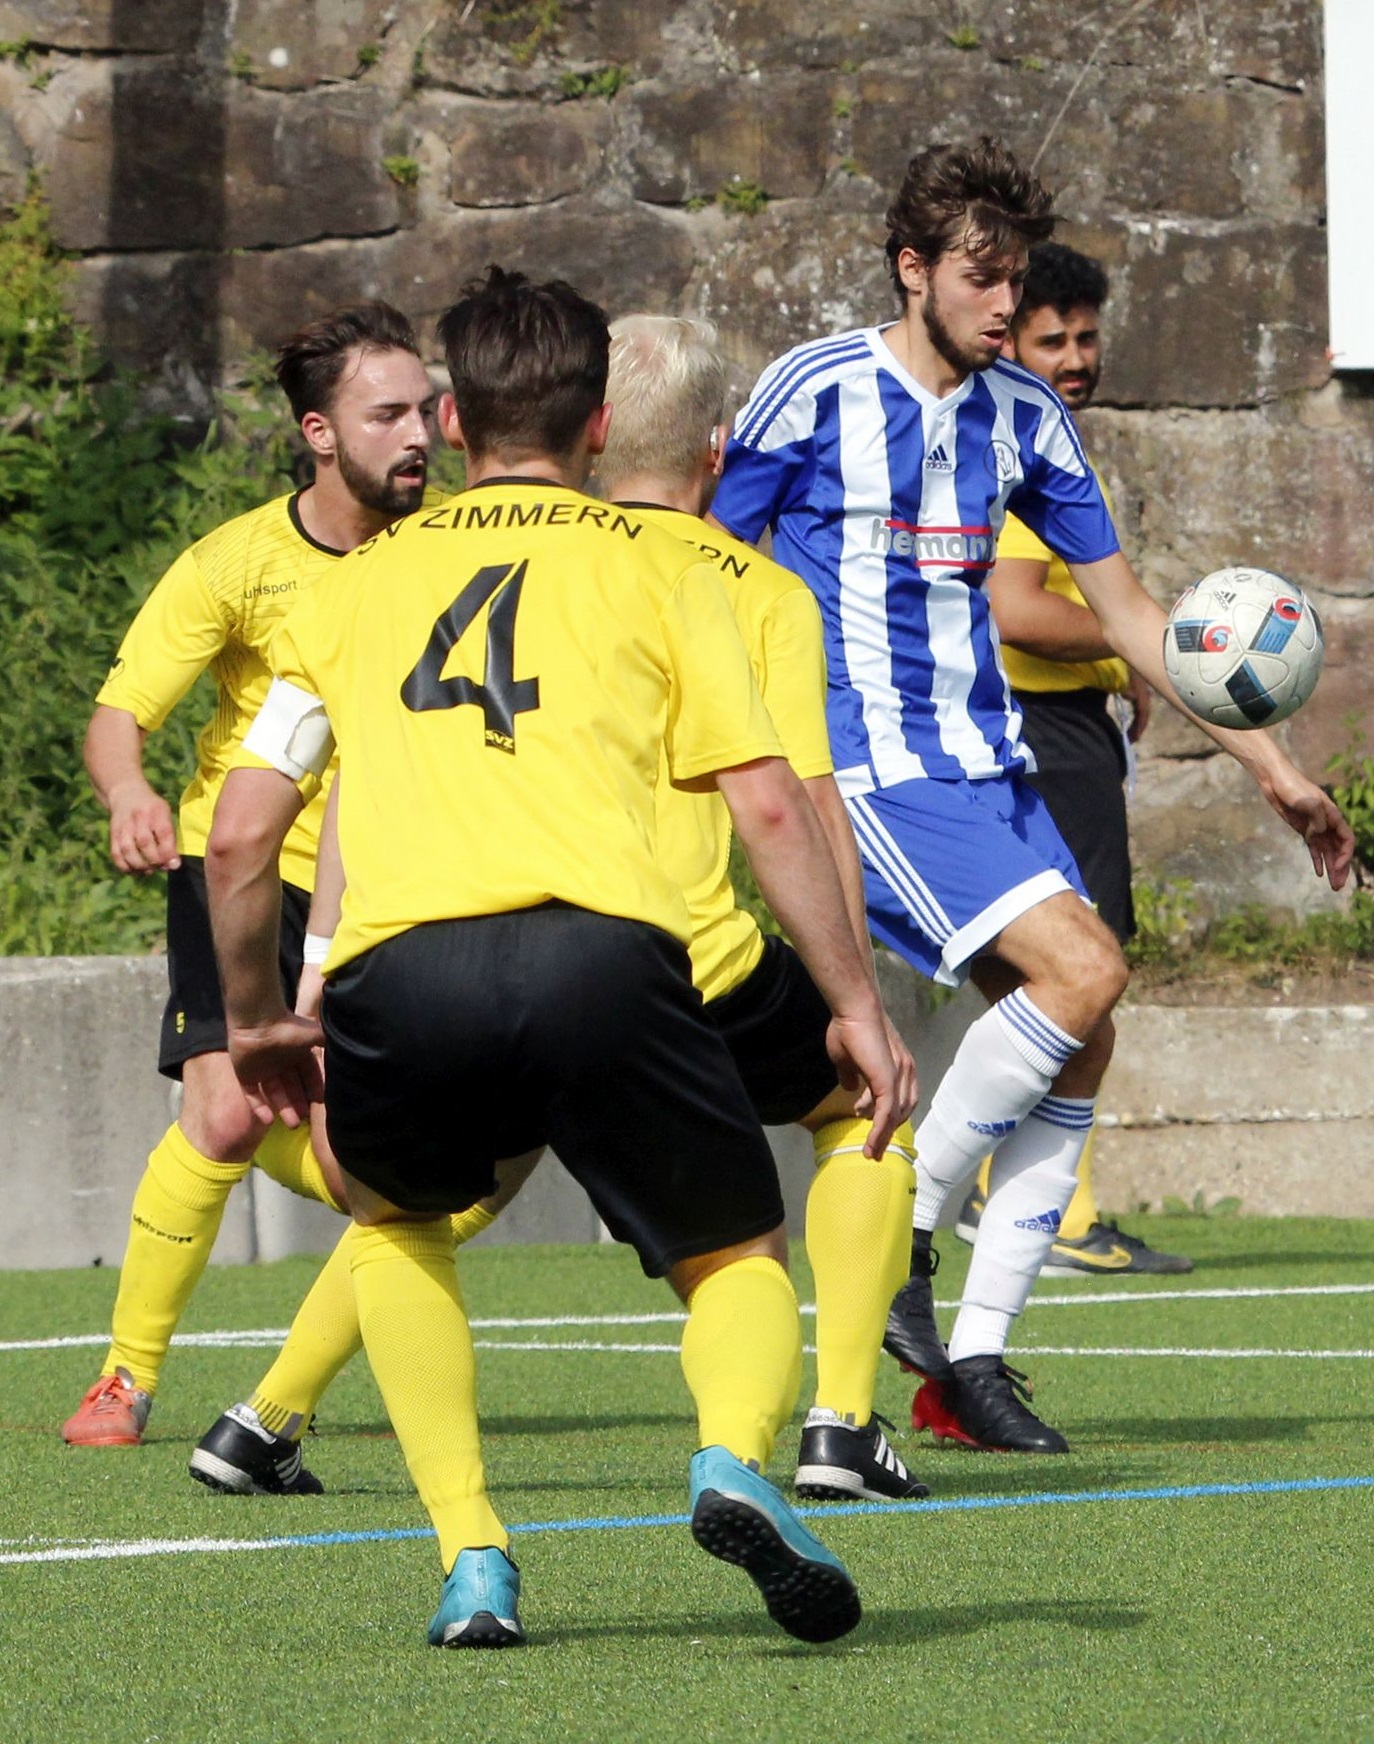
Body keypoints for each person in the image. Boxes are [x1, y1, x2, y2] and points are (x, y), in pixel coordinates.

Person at [205, 267, 912, 1648]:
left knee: (397, 1228)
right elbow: (770, 800)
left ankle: (473, 1557)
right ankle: (729, 1460)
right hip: (607, 959)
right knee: (733, 1252)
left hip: (402, 973)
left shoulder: (351, 588)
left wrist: (261, 1014)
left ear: (455, 419)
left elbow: (242, 837)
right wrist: (851, 1005)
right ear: (597, 425)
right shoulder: (669, 572)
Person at [708, 138, 1352, 1454]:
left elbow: (1126, 614)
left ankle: (970, 1367)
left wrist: (1274, 769)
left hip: (985, 765)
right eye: (980, 278)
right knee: (1081, 973)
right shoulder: (810, 393)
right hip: (865, 765)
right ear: (912, 270)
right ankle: (898, 1236)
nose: (1005, 307)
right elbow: (702, 569)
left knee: (1083, 1024)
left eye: (1013, 280)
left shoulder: (1027, 418)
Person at [60, 303, 436, 1452]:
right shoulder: (236, 561)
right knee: (221, 1114)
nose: (422, 432)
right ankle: (126, 1378)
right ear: (320, 433)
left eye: (429, 408)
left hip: (399, 887)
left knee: (394, 1167)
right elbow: (119, 714)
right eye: (390, 414)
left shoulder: (455, 550)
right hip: (246, 874)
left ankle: (286, 1398)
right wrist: (129, 792)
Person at [953, 241, 1192, 1276]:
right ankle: (1033, 1205)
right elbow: (1013, 608)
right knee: (1078, 974)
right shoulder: (1012, 440)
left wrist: (1116, 661)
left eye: (1088, 336)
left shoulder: (1042, 436)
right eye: (1054, 337)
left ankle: (1026, 1202)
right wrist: (1124, 639)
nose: (1077, 355)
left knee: (1063, 979)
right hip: (1037, 736)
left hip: (1062, 729)